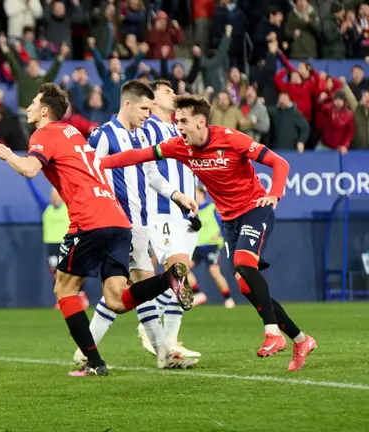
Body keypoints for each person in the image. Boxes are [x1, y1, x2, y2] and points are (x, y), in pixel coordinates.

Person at [0, 83, 193, 377]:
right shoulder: (74, 133)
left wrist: (6, 153)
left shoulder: (45, 133)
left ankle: (94, 363)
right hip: (119, 220)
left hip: (89, 220)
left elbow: (30, 169)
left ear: (45, 111)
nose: (28, 107)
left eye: (32, 102)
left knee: (64, 288)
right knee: (117, 300)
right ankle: (170, 278)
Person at [98, 94, 318, 372]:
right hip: (228, 220)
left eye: (184, 121)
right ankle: (301, 339)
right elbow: (138, 156)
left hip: (254, 208)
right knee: (245, 285)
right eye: (177, 121)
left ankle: (273, 333)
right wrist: (98, 164)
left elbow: (280, 164)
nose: (178, 127)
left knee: (243, 264)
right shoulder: (180, 147)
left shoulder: (231, 138)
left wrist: (274, 195)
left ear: (201, 122)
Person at [79, 80, 199, 370]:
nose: (148, 114)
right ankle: (163, 353)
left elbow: (152, 174)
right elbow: (87, 174)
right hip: (117, 222)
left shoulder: (143, 137)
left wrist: (178, 195)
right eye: (144, 108)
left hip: (142, 222)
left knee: (134, 289)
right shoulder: (104, 135)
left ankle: (86, 352)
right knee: (135, 287)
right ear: (128, 104)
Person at [134, 79, 202, 361]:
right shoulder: (147, 127)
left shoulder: (180, 129)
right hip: (162, 209)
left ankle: (171, 342)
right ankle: (147, 327)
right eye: (167, 91)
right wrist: (176, 195)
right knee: (176, 272)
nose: (173, 94)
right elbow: (150, 171)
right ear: (152, 100)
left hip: (187, 212)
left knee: (181, 277)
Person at [26, 177, 89, 310]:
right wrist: (28, 180)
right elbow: (35, 193)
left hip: (67, 243)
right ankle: (61, 299)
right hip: (51, 245)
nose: (54, 197)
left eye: (57, 195)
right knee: (56, 274)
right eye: (52, 195)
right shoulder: (46, 208)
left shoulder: (67, 207)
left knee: (72, 272)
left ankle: (81, 295)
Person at [188, 185, 235, 308]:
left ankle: (228, 299)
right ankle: (197, 293)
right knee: (182, 269)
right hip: (196, 247)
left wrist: (221, 234)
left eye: (196, 193)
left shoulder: (212, 208)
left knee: (214, 272)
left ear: (203, 194)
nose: (194, 196)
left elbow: (225, 221)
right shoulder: (192, 211)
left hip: (211, 246)